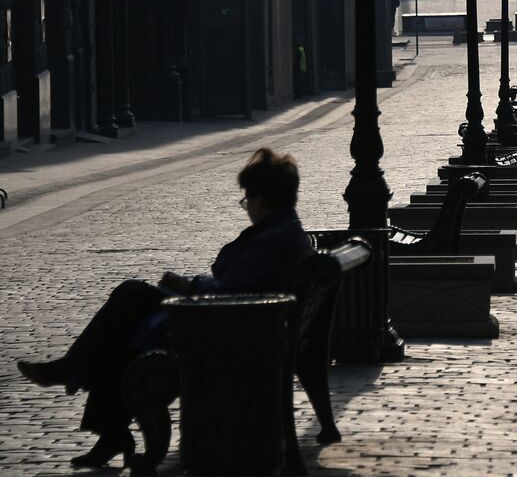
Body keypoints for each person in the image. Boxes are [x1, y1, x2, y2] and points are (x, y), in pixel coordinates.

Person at [16, 149, 314, 469]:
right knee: (125, 326)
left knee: (130, 308)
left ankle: (78, 380)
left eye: (248, 200)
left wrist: (188, 286)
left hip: (223, 331)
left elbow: (230, 292)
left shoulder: (272, 240)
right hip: (237, 324)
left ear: (263, 199)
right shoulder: (283, 232)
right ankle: (93, 404)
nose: (246, 208)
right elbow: (238, 286)